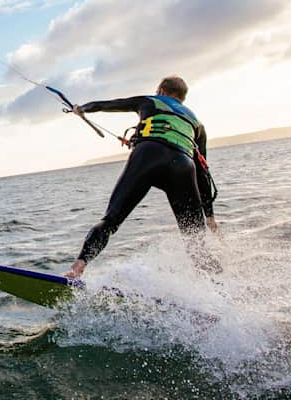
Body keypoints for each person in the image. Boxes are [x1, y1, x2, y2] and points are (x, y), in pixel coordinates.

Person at [65, 75, 219, 279]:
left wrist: (82, 108)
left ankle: (77, 268)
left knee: (111, 221)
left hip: (149, 155)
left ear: (162, 91)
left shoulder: (150, 101)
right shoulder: (197, 123)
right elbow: (203, 172)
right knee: (194, 239)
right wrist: (209, 214)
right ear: (182, 97)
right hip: (183, 166)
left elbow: (111, 104)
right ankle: (218, 288)